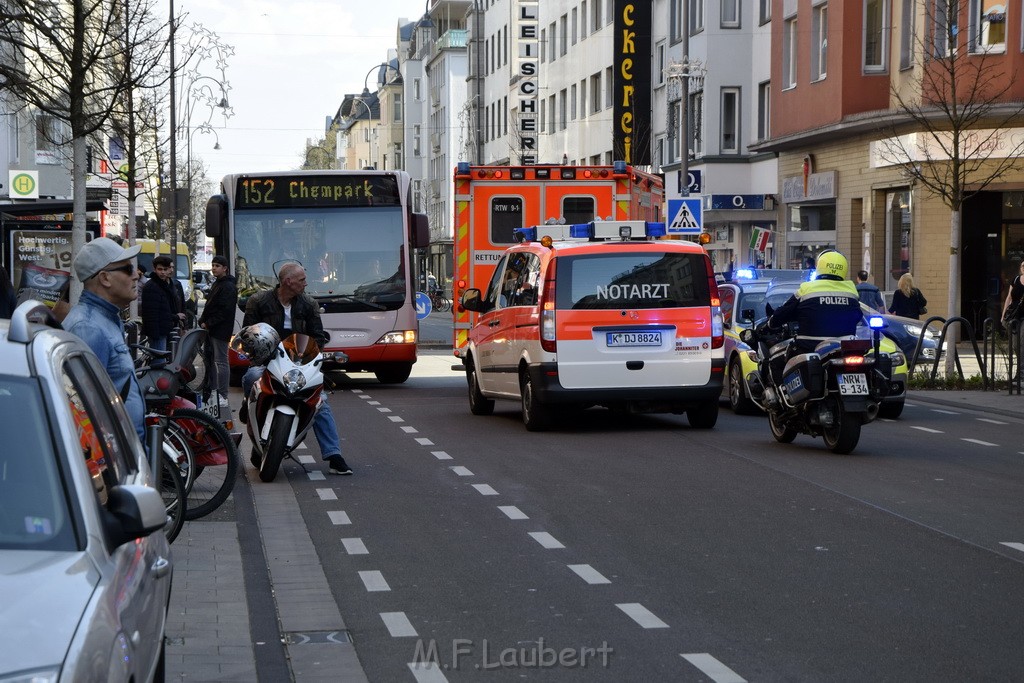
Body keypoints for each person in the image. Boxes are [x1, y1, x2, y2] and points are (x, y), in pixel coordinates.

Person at [241, 262, 352, 475]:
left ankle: (334, 455)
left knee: (320, 402)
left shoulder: (308, 304)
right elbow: (248, 334)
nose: (306, 283)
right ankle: (250, 409)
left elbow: (318, 337)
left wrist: (314, 357)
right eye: (301, 280)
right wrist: (258, 353)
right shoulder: (259, 301)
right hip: (267, 361)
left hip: (298, 363)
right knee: (251, 377)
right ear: (287, 281)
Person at [62, 237, 147, 442]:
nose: (136, 275)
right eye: (128, 269)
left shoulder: (106, 319)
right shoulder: (88, 328)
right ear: (105, 278)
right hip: (113, 461)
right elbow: (84, 410)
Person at [198, 255, 238, 411]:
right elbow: (210, 306)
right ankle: (214, 392)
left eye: (217, 266)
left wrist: (208, 322)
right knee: (214, 360)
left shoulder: (227, 286)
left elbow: (224, 311)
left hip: (219, 330)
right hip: (213, 329)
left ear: (225, 268)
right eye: (213, 265)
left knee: (221, 361)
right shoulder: (219, 284)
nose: (214, 268)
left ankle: (222, 395)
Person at [141, 254, 186, 353]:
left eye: (165, 269)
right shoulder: (152, 286)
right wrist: (175, 317)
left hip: (165, 329)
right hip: (158, 332)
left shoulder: (166, 285)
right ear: (154, 269)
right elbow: (152, 313)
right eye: (160, 269)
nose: (162, 272)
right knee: (159, 362)